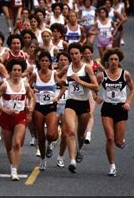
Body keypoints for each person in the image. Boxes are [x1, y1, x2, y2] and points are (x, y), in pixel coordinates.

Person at [57, 42, 99, 173]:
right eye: (72, 54)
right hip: (71, 102)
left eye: (76, 53)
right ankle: (72, 161)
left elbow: (96, 86)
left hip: (84, 103)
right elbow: (57, 76)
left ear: (80, 54)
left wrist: (79, 81)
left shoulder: (87, 68)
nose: (74, 56)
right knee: (70, 131)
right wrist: (62, 83)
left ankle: (79, 149)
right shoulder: (67, 68)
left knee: (80, 135)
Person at [95, 48, 134, 176]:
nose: (113, 62)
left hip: (121, 108)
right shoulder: (102, 75)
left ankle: (121, 142)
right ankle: (112, 165)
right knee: (110, 138)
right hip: (107, 108)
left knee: (118, 142)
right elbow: (93, 87)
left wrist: (128, 102)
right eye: (111, 59)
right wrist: (95, 97)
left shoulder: (125, 74)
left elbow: (133, 89)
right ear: (107, 61)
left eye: (116, 60)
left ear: (119, 61)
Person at [0, 59, 36, 181]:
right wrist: (4, 109)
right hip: (6, 118)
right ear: (10, 71)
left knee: (17, 143)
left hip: (20, 116)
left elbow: (32, 97)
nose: (17, 72)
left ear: (22, 71)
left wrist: (30, 108)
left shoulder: (25, 84)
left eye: (19, 70)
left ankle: (14, 171)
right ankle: (12, 166)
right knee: (8, 146)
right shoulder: (5, 85)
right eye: (14, 70)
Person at [28, 51, 64, 171]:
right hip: (38, 106)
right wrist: (32, 91)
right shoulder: (35, 75)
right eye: (42, 61)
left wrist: (57, 97)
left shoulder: (54, 74)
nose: (44, 63)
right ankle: (43, 159)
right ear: (39, 62)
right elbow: (26, 87)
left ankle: (51, 144)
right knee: (41, 135)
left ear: (50, 62)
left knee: (51, 134)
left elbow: (63, 87)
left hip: (51, 106)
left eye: (46, 61)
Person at [82, 44, 105, 144]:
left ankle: (88, 134)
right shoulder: (80, 64)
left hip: (93, 91)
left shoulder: (96, 63)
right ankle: (81, 132)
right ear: (82, 54)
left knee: (90, 113)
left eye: (89, 53)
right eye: (85, 53)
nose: (87, 55)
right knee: (82, 115)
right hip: (81, 90)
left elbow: (105, 73)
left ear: (92, 53)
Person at [55, 51, 70, 168]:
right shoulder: (51, 73)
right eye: (61, 60)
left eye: (65, 60)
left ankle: (60, 156)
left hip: (67, 105)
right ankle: (50, 145)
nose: (63, 62)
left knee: (65, 134)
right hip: (53, 105)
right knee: (52, 134)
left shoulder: (72, 74)